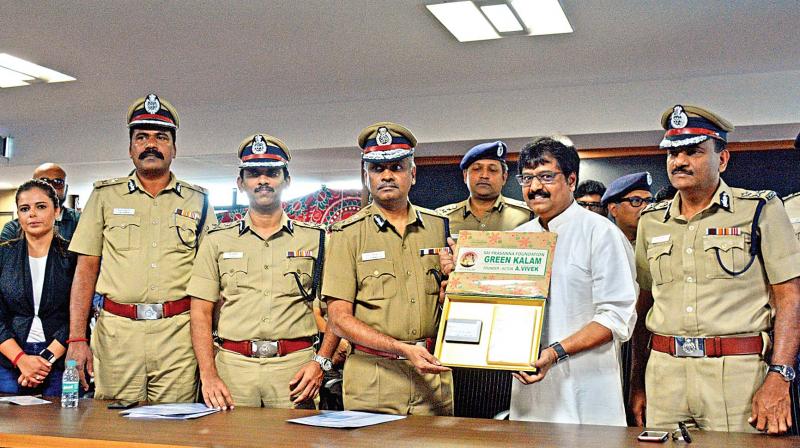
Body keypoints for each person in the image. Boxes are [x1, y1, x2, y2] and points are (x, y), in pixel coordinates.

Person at [630, 105, 800, 434]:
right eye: (672, 153)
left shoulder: (759, 210)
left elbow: (790, 298)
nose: (679, 162)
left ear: (721, 159)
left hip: (736, 375)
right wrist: (637, 382)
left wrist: (780, 375)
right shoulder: (651, 222)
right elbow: (644, 303)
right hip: (665, 375)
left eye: (692, 152)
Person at [66, 94, 217, 402]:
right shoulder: (105, 197)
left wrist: (215, 338)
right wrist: (77, 338)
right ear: (130, 148)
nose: (151, 144)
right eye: (142, 137)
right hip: (117, 335)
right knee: (115, 429)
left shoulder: (198, 200)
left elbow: (213, 278)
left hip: (178, 334)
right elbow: (85, 271)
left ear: (174, 148)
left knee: (174, 429)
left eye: (161, 137)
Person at [187, 133, 339, 409]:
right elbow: (200, 311)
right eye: (254, 174)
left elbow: (338, 310)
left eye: (272, 172)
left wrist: (321, 361)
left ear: (287, 180)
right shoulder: (217, 240)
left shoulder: (316, 239)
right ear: (241, 183)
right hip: (233, 369)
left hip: (294, 369)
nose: (263, 181)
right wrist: (207, 374)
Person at [324, 121, 453, 415]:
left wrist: (454, 291)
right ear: (366, 175)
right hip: (373, 381)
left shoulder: (439, 227)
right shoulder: (347, 234)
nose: (386, 176)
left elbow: (449, 303)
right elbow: (339, 319)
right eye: (377, 169)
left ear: (413, 174)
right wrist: (402, 349)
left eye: (396, 167)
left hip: (432, 377)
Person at [508, 136, 637, 426]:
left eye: (546, 177)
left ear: (571, 180)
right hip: (529, 392)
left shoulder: (601, 233)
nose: (535, 187)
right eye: (527, 178)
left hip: (587, 392)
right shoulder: (519, 238)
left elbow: (617, 317)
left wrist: (554, 353)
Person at [0, 180, 76, 395]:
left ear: (57, 211)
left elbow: (78, 315)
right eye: (25, 209)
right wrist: (21, 359)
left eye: (41, 206)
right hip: (9, 357)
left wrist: (44, 361)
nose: (32, 214)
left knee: (60, 425)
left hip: (59, 358)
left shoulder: (74, 256)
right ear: (19, 215)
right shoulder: (3, 255)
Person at [436, 141, 532, 239]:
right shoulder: (442, 217)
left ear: (504, 177)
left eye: (493, 170)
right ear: (465, 176)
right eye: (477, 169)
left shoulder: (527, 215)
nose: (484, 176)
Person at [1, 163, 80, 241]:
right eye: (43, 182)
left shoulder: (80, 221)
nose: (50, 187)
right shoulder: (13, 228)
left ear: (65, 189)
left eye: (58, 182)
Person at [601, 172, 654, 244]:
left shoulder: (658, 239)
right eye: (636, 200)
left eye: (648, 201)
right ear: (613, 209)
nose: (645, 207)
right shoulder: (603, 243)